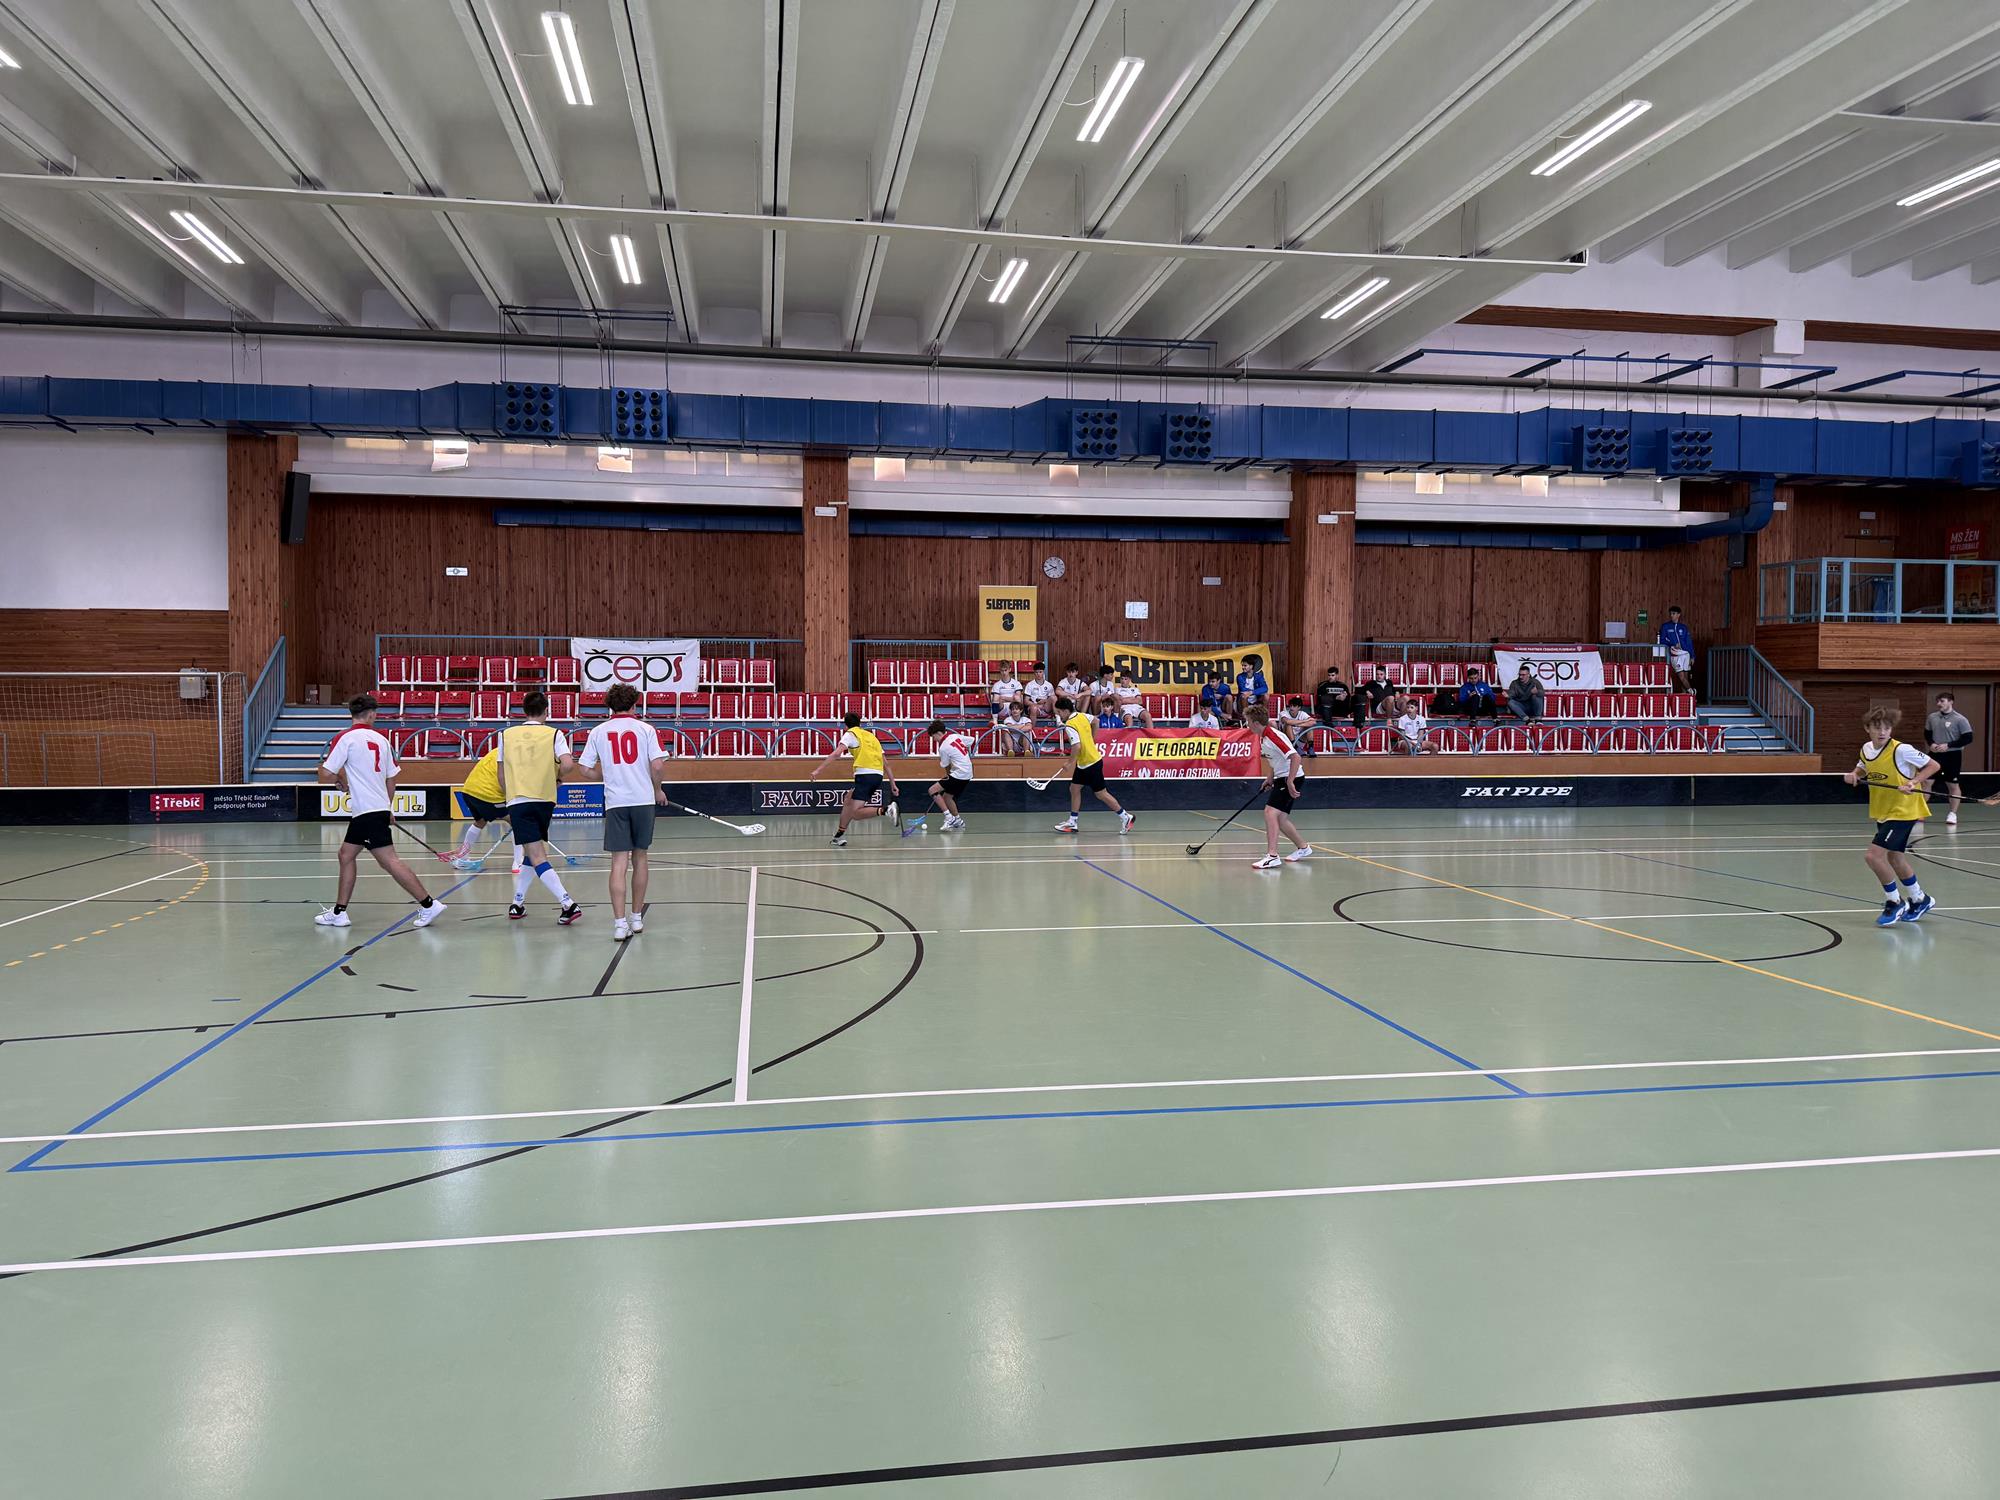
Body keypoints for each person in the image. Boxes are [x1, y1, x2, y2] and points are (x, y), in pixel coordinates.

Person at [315, 694, 446, 929]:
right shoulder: (382, 740)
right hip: (373, 810)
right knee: (346, 855)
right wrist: (387, 807)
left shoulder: (345, 738)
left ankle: (429, 904)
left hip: (366, 811)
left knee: (389, 862)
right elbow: (391, 779)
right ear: (371, 714)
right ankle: (339, 912)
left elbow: (325, 773)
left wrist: (340, 780)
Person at [575, 682, 669, 941]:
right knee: (640, 857)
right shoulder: (646, 729)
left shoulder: (598, 732)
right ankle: (636, 918)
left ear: (610, 706)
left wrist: (604, 775)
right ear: (634, 704)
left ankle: (619, 923)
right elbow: (657, 766)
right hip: (642, 801)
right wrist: (658, 790)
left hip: (616, 802)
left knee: (618, 862)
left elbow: (584, 769)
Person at [1843, 706, 1939, 925]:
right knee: (1895, 857)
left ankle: (1894, 901)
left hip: (1904, 810)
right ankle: (1919, 899)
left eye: (1887, 728)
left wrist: (1913, 782)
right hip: (1883, 810)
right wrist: (1854, 774)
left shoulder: (1902, 750)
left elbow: (1933, 765)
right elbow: (1863, 766)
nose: (1882, 732)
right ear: (1867, 728)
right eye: (1877, 728)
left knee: (1873, 856)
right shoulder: (1867, 748)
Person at [496, 689, 583, 925]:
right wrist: (556, 778)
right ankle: (517, 903)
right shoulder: (554, 734)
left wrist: (508, 796)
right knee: (530, 852)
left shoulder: (506, 735)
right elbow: (568, 765)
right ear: (546, 711)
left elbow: (501, 773)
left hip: (519, 799)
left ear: (523, 711)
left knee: (536, 855)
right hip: (545, 800)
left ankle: (568, 903)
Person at [809, 710, 900, 847]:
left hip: (865, 775)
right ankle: (839, 836)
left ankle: (886, 810)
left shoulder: (850, 734)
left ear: (846, 726)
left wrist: (817, 770)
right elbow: (885, 763)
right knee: (848, 800)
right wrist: (893, 784)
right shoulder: (871, 737)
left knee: (856, 813)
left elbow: (837, 754)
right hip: (877, 775)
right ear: (860, 723)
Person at [1052, 694, 1133, 835]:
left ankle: (1125, 817)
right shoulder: (1082, 715)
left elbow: (1076, 746)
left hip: (1090, 763)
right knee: (1074, 788)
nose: (1059, 715)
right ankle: (1072, 822)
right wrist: (1092, 738)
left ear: (1065, 711)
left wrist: (1069, 763)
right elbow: (1096, 721)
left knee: (1101, 794)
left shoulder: (1069, 725)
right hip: (1084, 763)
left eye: (1059, 712)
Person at [1246, 704, 1311, 869]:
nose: (1247, 724)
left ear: (1256, 723)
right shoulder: (1264, 736)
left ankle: (1272, 856)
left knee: (1270, 812)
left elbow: (1296, 757)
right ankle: (1303, 848)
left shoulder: (1273, 736)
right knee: (1280, 819)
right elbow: (1276, 759)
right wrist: (1270, 778)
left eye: (1248, 721)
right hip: (1282, 777)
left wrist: (1289, 781)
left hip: (1291, 778)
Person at [448, 741, 525, 873]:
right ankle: (518, 863)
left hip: (469, 791)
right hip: (488, 795)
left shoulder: (496, 751)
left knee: (480, 821)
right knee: (516, 821)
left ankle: (462, 858)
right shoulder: (514, 760)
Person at [912, 716, 975, 833]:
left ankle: (949, 818)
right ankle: (958, 821)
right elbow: (971, 740)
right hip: (968, 772)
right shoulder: (955, 736)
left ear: (939, 733)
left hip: (959, 773)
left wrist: (948, 774)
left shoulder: (943, 747)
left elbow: (946, 765)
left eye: (933, 736)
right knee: (947, 797)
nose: (934, 739)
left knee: (932, 790)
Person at [1926, 691, 1974, 826]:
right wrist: (1931, 744)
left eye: (1942, 701)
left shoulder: (1960, 719)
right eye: (1938, 701)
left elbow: (1968, 738)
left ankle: (1952, 814)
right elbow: (1927, 733)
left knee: (1952, 785)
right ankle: (1920, 812)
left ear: (1951, 702)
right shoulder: (1932, 717)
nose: (1939, 704)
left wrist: (1948, 745)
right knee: (1926, 782)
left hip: (1952, 756)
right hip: (1935, 754)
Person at [1658, 605, 1695, 696]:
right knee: (1681, 676)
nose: (1671, 615)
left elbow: (1689, 642)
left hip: (1686, 654)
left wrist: (1692, 656)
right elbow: (1662, 640)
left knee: (1685, 677)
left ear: (1678, 615)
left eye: (1674, 613)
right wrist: (1673, 644)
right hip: (1675, 654)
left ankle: (1684, 696)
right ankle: (1692, 692)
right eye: (1670, 614)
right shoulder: (1665, 626)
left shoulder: (1683, 627)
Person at [1233, 653, 1270, 721]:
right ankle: (1246, 718)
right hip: (1242, 703)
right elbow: (1243, 689)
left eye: (1245, 665)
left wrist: (1251, 692)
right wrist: (1257, 691)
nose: (1243, 667)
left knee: (1266, 695)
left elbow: (1265, 688)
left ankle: (1263, 716)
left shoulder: (1258, 676)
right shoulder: (1240, 676)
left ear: (1251, 666)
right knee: (1244, 696)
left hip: (1255, 701)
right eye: (1242, 665)